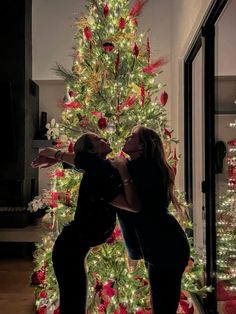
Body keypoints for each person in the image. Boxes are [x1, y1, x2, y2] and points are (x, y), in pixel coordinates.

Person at [32, 132, 141, 314]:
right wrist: (55, 154)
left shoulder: (102, 168)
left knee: (75, 305)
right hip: (69, 250)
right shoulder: (98, 168)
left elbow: (84, 164)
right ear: (91, 150)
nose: (105, 139)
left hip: (73, 249)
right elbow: (84, 161)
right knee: (74, 306)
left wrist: (59, 159)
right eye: (98, 140)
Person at [111, 125, 190, 314]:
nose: (127, 138)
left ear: (142, 146)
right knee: (162, 305)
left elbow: (134, 205)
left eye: (132, 137)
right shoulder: (146, 166)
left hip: (164, 247)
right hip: (164, 245)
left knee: (163, 306)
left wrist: (58, 157)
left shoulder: (142, 168)